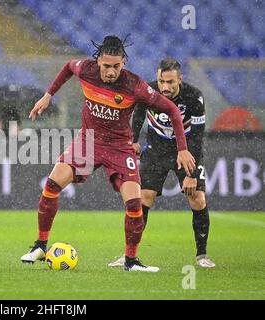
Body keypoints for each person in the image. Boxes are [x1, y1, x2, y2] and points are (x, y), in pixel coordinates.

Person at [20, 36, 196, 272]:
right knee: (52, 185)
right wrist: (48, 94)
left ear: (123, 63)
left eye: (116, 66)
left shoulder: (134, 85)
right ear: (98, 62)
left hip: (120, 146)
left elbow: (172, 109)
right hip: (88, 141)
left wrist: (183, 148)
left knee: (134, 204)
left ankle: (131, 261)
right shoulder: (86, 69)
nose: (111, 71)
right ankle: (41, 246)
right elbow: (68, 67)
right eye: (106, 66)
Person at [108, 57, 215, 268]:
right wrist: (134, 140)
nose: (165, 87)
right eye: (161, 81)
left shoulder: (194, 97)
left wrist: (191, 174)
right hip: (156, 149)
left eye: (170, 82)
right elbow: (139, 113)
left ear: (180, 80)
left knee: (198, 199)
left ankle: (202, 255)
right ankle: (129, 255)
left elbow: (197, 135)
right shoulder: (148, 91)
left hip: (185, 151)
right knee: (142, 198)